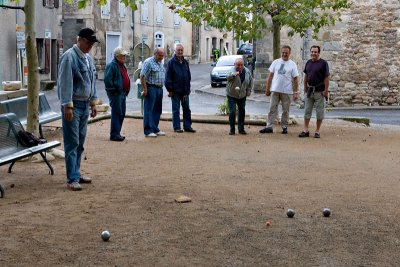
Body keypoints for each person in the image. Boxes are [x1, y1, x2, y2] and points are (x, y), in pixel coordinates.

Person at [57, 28, 98, 191]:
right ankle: (72, 178)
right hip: (73, 105)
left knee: (80, 142)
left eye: (91, 44)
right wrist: (67, 105)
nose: (89, 46)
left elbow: (92, 81)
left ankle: (76, 172)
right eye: (87, 42)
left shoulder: (88, 59)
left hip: (84, 104)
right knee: (72, 142)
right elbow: (65, 82)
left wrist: (93, 102)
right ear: (79, 40)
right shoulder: (69, 56)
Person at [259, 45, 299, 135]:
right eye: (283, 52)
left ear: (289, 53)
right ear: (281, 52)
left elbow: (296, 79)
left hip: (287, 91)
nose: (284, 54)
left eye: (286, 53)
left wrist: (296, 92)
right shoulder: (276, 62)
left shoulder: (292, 64)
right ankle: (269, 126)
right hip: (275, 90)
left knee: (285, 110)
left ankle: (284, 127)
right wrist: (267, 88)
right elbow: (270, 76)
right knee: (272, 108)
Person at [299, 45, 330, 138]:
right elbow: (306, 76)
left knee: (319, 112)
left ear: (318, 53)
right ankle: (305, 129)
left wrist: (325, 90)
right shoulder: (308, 62)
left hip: (319, 91)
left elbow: (326, 77)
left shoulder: (323, 63)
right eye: (312, 52)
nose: (313, 53)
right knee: (307, 111)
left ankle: (317, 131)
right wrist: (304, 87)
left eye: (315, 52)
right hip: (309, 90)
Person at [165, 43, 196, 133]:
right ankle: (177, 127)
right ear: (175, 51)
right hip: (175, 91)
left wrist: (188, 88)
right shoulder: (171, 62)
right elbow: (168, 78)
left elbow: (188, 76)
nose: (180, 52)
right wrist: (170, 90)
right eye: (178, 50)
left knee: (187, 109)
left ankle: (187, 126)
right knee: (176, 110)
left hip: (185, 91)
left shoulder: (185, 62)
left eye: (181, 50)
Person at [104, 46, 131, 141]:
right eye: (122, 55)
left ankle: (117, 133)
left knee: (121, 113)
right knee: (117, 113)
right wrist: (114, 91)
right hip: (116, 94)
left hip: (122, 93)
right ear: (117, 56)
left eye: (124, 55)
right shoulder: (112, 65)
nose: (124, 57)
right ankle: (114, 134)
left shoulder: (121, 65)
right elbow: (107, 80)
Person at [140, 48, 166, 137]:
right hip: (151, 88)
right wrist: (145, 89)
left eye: (163, 56)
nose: (161, 57)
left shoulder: (160, 63)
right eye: (160, 55)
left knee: (157, 110)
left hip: (159, 88)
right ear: (155, 54)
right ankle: (148, 130)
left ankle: (155, 128)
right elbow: (142, 76)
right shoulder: (148, 62)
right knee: (149, 110)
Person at [226, 58, 253, 135]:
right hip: (232, 94)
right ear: (235, 64)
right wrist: (233, 75)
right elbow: (227, 77)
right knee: (232, 112)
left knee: (242, 111)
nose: (240, 67)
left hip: (242, 95)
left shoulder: (247, 71)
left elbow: (250, 81)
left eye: (241, 65)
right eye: (238, 65)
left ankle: (241, 129)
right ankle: (232, 129)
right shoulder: (232, 70)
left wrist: (249, 90)